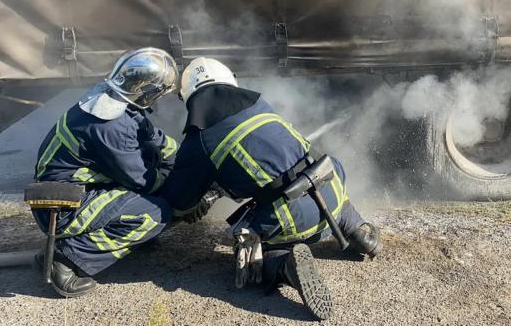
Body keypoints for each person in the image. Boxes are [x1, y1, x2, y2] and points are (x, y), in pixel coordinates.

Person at [161, 57, 382, 320]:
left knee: (245, 244)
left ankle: (283, 265)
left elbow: (179, 200)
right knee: (322, 188)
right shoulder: (259, 105)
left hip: (293, 217)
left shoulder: (199, 139)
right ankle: (359, 233)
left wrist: (192, 203)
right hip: (330, 191)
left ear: (189, 95)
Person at [31, 47, 180, 297]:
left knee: (158, 180)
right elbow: (143, 181)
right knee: (158, 212)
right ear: (146, 91)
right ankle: (66, 260)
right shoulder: (110, 125)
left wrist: (183, 158)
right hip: (62, 206)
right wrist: (181, 185)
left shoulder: (115, 99)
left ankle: (127, 236)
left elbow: (153, 139)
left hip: (75, 192)